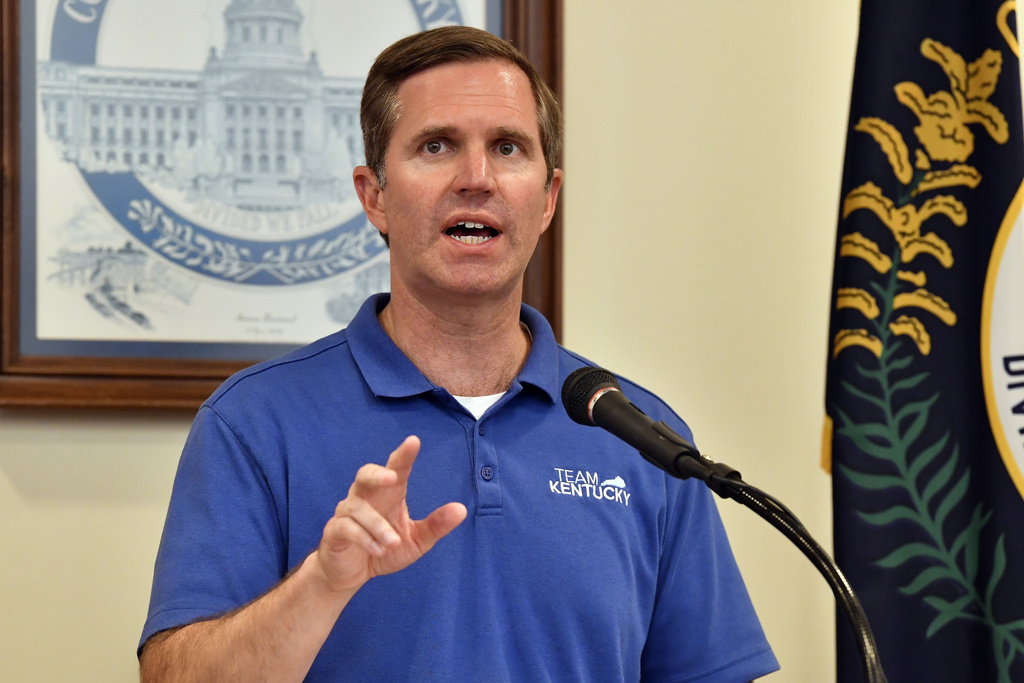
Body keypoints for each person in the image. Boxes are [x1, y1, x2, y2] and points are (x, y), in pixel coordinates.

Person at [138, 25, 779, 683]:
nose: (477, 179)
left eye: (507, 147)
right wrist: (321, 585)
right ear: (374, 196)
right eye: (436, 146)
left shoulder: (642, 436)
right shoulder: (251, 422)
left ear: (548, 198)